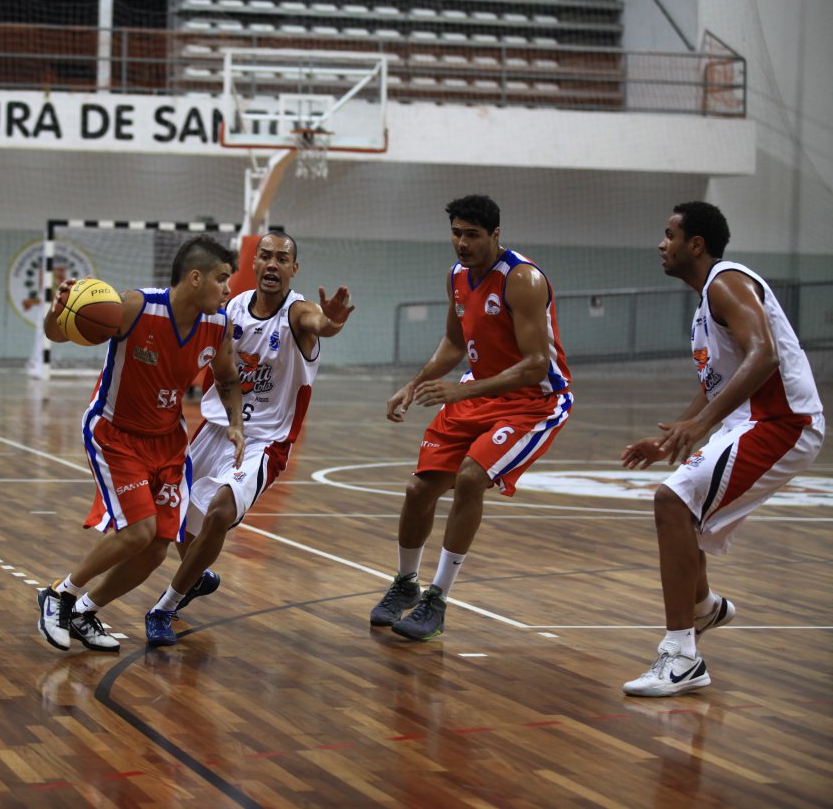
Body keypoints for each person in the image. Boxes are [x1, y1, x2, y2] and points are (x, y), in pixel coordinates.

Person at [620, 201, 824, 697]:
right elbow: (719, 382)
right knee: (682, 510)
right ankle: (705, 608)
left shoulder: (725, 282)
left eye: (669, 234)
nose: (661, 244)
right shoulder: (706, 303)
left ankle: (682, 655)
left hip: (782, 422)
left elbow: (765, 354)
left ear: (696, 244)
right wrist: (676, 434)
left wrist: (702, 425)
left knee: (672, 501)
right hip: (753, 422)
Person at [371, 194, 572, 640]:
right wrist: (413, 384)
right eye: (456, 233)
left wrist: (463, 389)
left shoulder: (523, 280)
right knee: (418, 488)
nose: (461, 243)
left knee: (468, 479)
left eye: (472, 235)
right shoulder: (457, 277)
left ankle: (437, 599)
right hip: (477, 392)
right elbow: (453, 343)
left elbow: (537, 364)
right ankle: (406, 584)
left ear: (496, 235)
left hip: (532, 401)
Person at [142, 231, 355, 645]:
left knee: (219, 513)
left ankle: (164, 607)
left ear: (294, 269)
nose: (273, 264)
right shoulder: (229, 309)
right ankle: (197, 577)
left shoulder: (298, 314)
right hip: (215, 429)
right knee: (176, 524)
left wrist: (330, 321)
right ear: (253, 264)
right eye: (265, 256)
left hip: (264, 440)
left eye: (282, 258)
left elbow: (319, 324)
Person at [36, 235, 246, 652]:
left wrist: (236, 423)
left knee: (155, 549)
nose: (227, 290)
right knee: (137, 531)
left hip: (167, 443)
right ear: (195, 277)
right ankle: (58, 595)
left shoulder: (217, 324)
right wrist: (58, 310)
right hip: (115, 434)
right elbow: (57, 335)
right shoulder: (135, 306)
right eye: (222, 279)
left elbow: (226, 378)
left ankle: (84, 612)